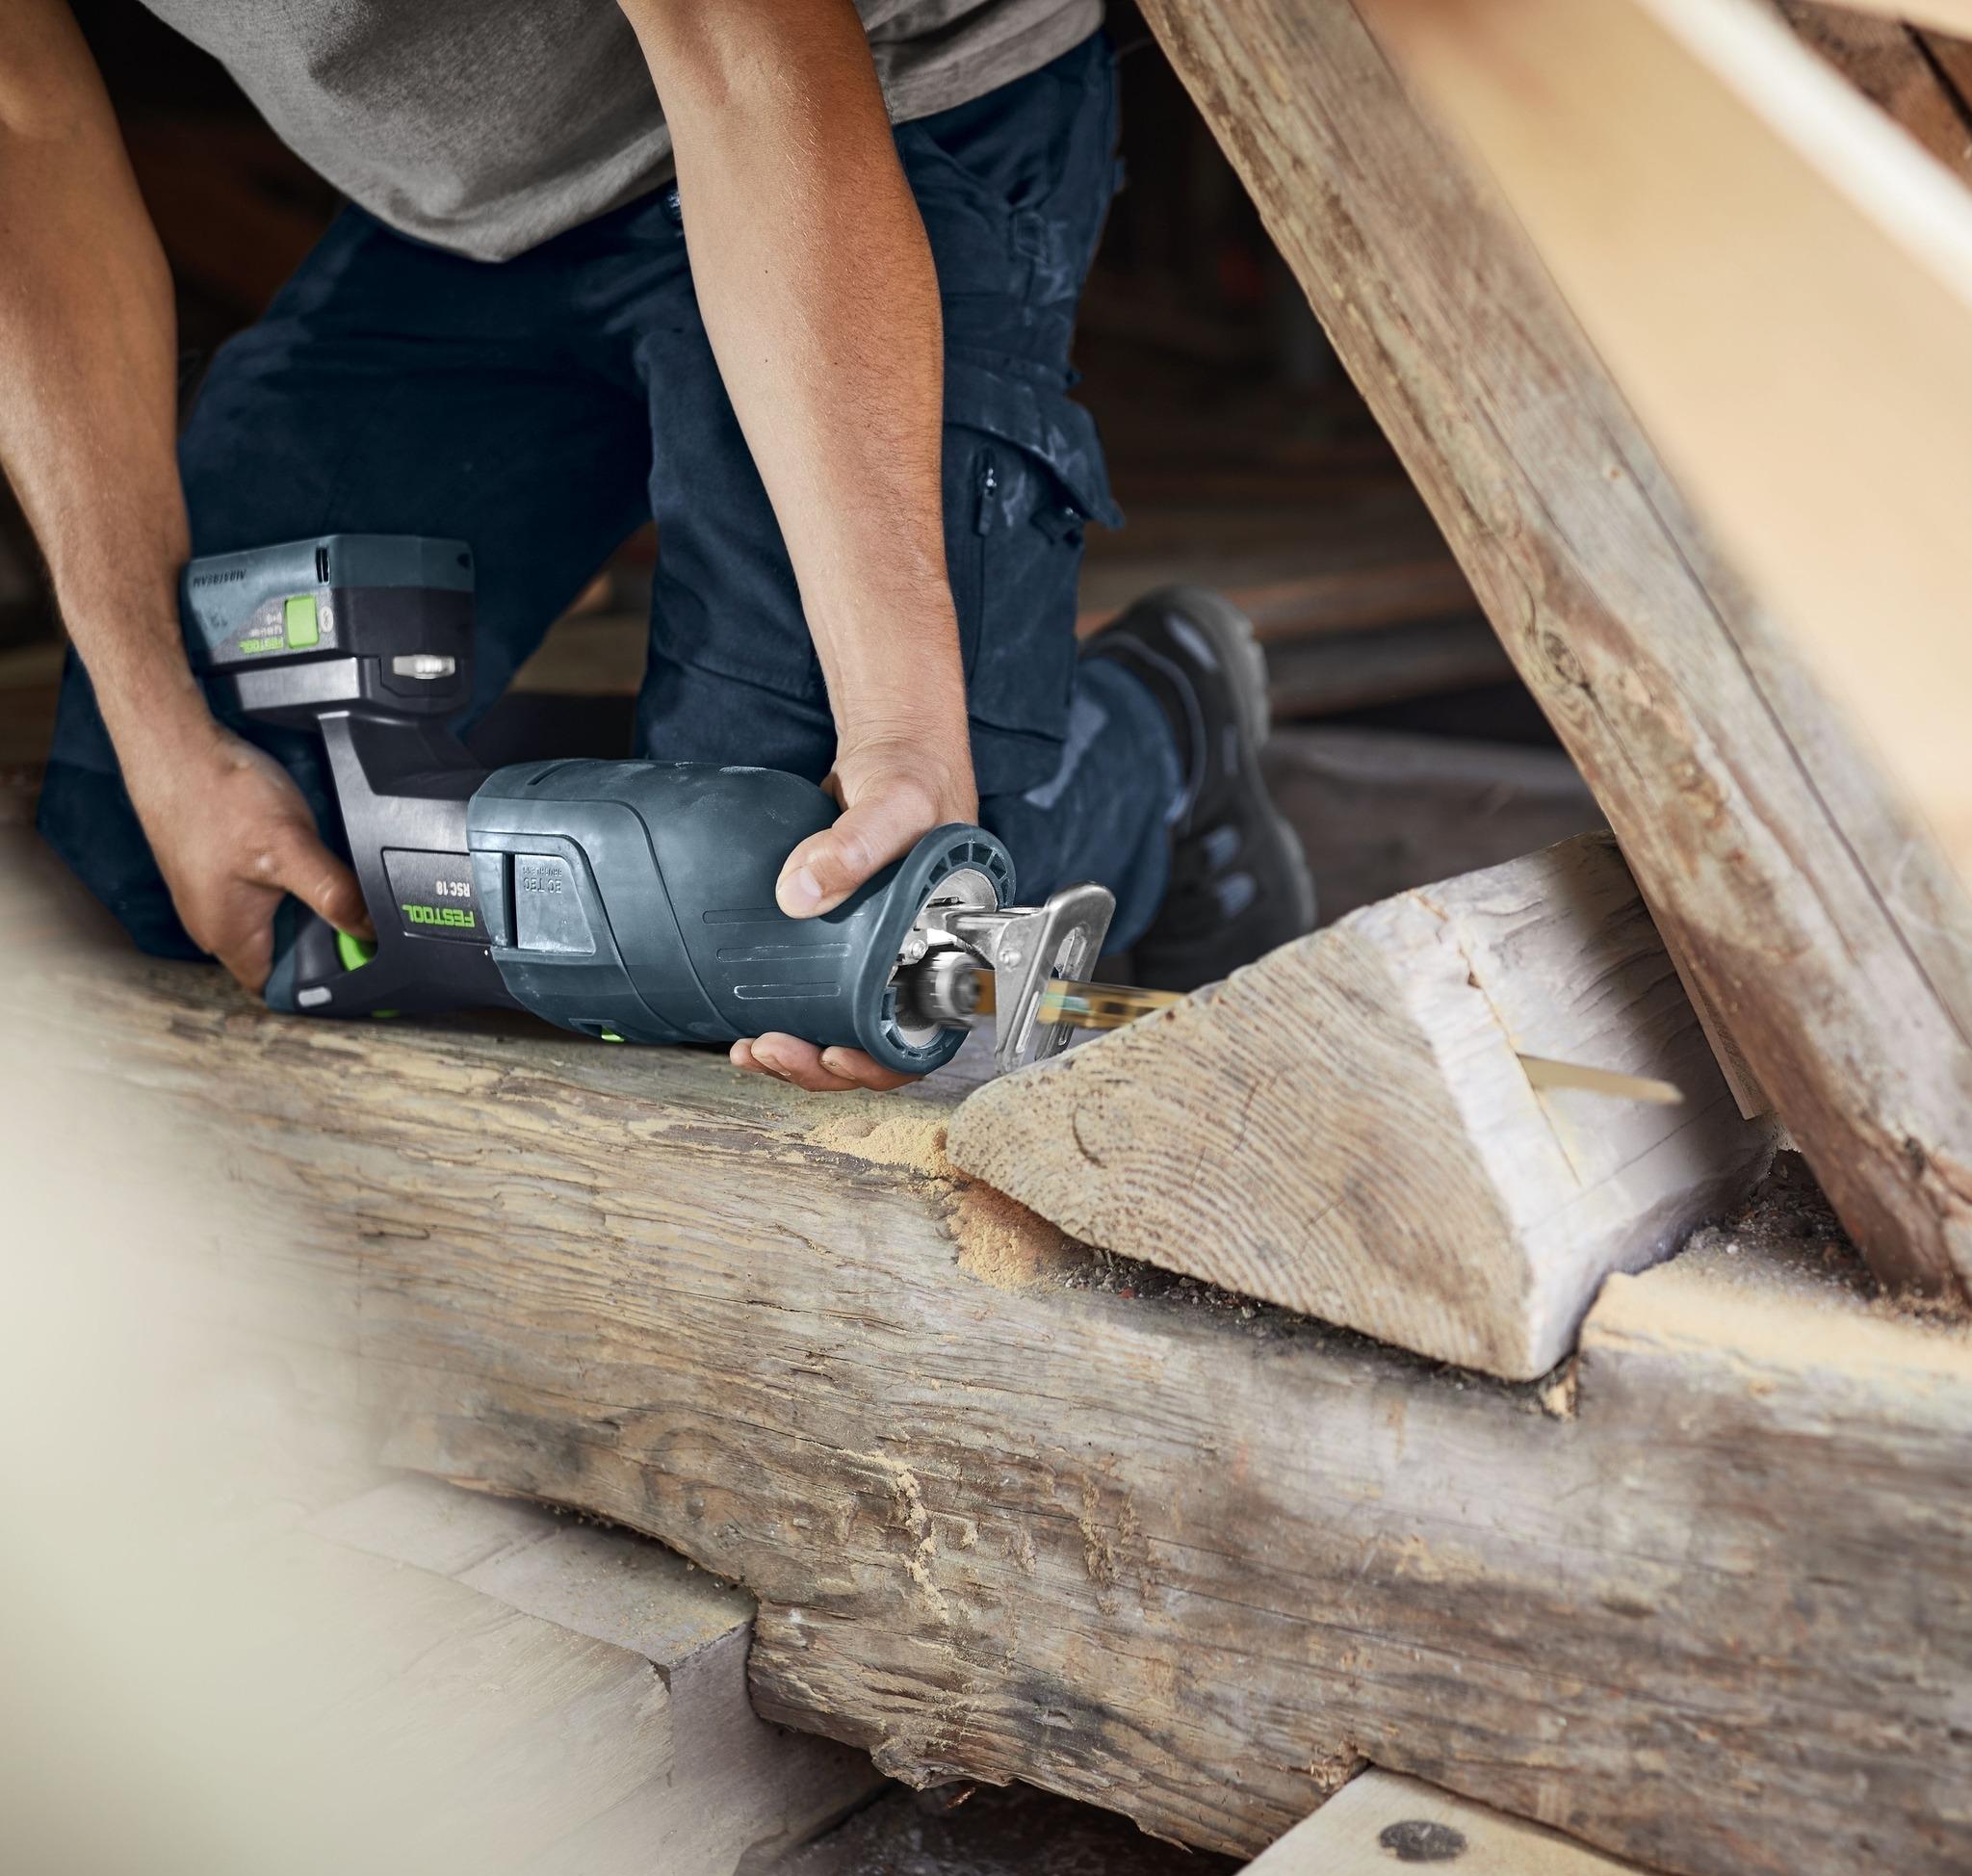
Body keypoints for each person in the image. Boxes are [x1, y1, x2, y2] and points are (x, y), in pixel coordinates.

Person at [0, 0, 1313, 1091]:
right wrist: (159, 725)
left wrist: (908, 736)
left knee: (802, 927)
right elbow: (22, 123)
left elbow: (746, 61)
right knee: (144, 855)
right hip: (472, 211)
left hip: (876, 99)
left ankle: (1155, 736)